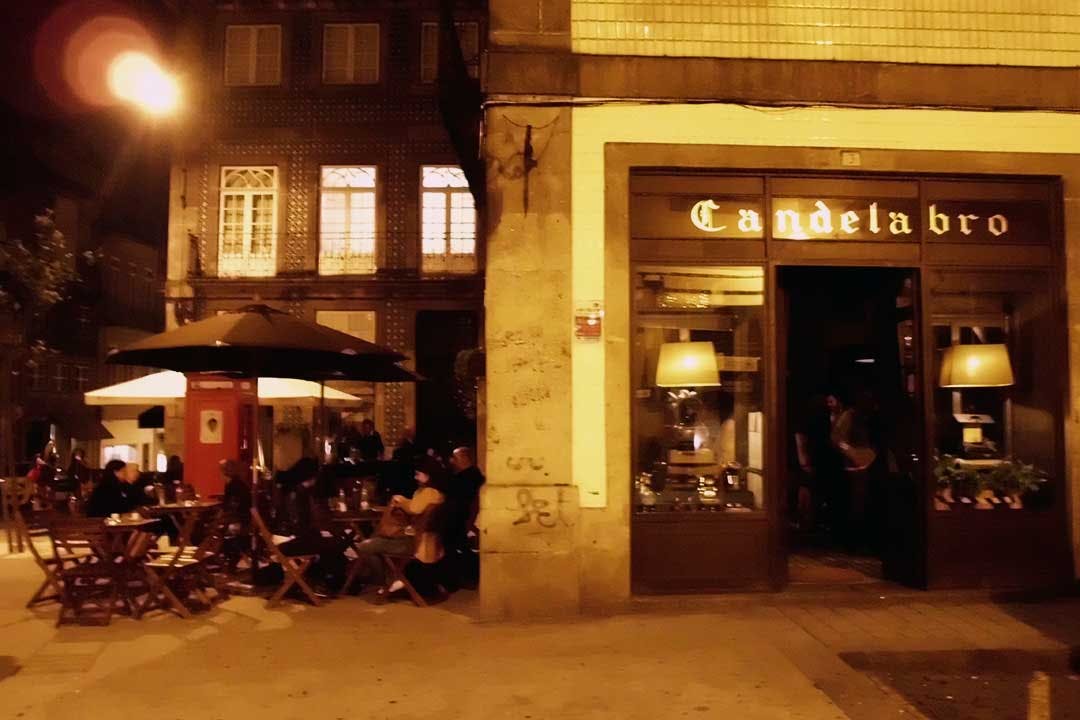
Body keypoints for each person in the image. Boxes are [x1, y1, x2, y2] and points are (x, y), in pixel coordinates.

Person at [353, 455, 446, 601]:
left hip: (412, 542)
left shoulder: (430, 492)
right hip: (415, 539)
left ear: (427, 475)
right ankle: (390, 578)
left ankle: (384, 581)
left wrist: (400, 500)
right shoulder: (432, 493)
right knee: (374, 541)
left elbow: (414, 508)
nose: (415, 477)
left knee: (364, 546)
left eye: (418, 474)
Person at [275, 457, 349, 593]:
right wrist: (318, 533)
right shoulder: (297, 494)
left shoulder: (296, 491)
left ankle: (326, 579)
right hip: (292, 540)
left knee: (333, 542)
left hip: (294, 537)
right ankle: (331, 581)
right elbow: (298, 526)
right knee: (335, 543)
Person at [444, 447, 485, 588]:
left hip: (462, 519)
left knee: (462, 551)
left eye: (455, 458)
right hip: (463, 519)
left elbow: (460, 500)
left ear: (464, 459)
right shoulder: (475, 476)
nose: (452, 461)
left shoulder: (466, 478)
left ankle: (465, 579)